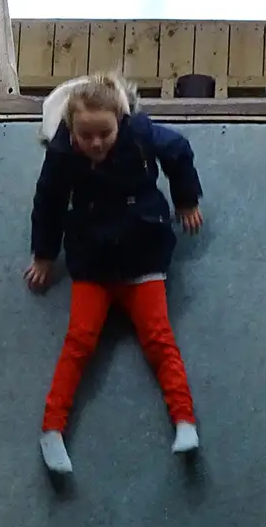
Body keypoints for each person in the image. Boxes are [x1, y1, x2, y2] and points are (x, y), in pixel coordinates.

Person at [24, 73, 204, 474]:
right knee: (79, 342)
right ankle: (52, 429)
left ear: (119, 120)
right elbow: (48, 202)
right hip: (93, 259)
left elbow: (179, 151)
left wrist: (186, 200)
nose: (96, 144)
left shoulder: (140, 134)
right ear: (71, 129)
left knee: (159, 339)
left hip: (143, 250)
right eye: (85, 135)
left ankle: (185, 421)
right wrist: (44, 255)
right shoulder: (62, 154)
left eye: (104, 133)